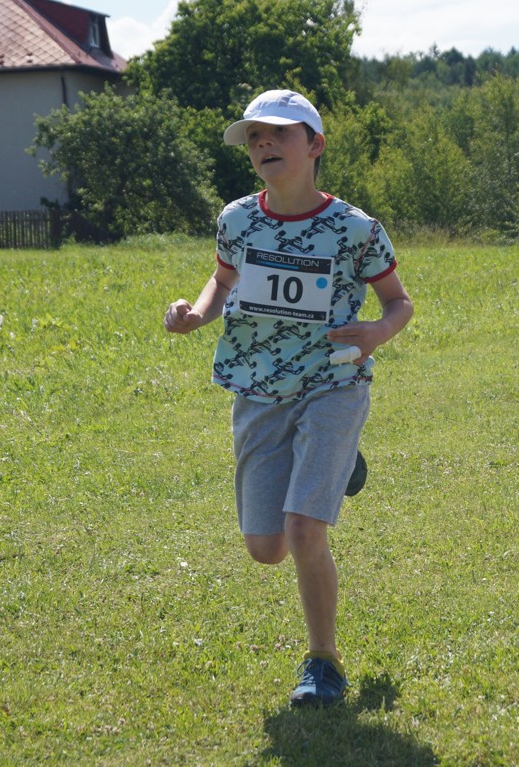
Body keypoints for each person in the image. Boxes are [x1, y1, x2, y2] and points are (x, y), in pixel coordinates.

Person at [164, 89, 413, 708]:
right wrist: (196, 314)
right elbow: (223, 280)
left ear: (315, 145)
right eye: (254, 137)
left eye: (278, 132)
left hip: (333, 383)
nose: (264, 143)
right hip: (258, 387)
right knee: (266, 547)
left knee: (303, 531)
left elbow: (398, 302)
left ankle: (323, 663)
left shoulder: (356, 229)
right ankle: (340, 466)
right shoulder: (237, 219)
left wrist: (377, 333)